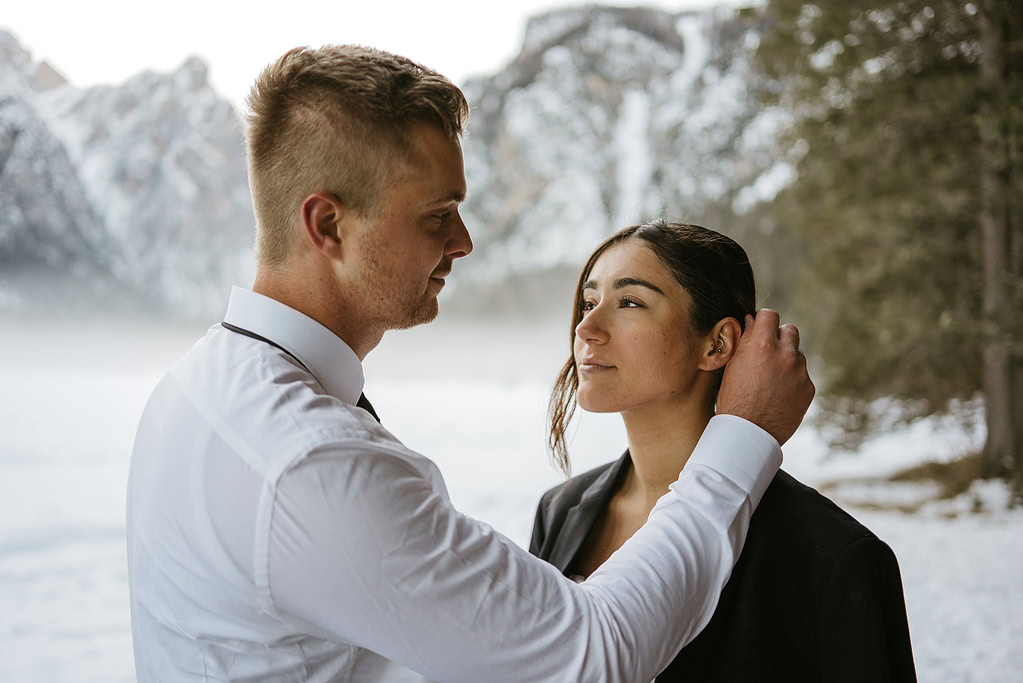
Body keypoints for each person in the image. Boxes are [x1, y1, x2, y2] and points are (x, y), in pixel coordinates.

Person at [126, 46, 815, 682]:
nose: (464, 241)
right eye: (437, 215)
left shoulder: (198, 386)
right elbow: (590, 656)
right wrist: (741, 436)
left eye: (630, 302)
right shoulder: (310, 463)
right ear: (328, 225)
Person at [530, 221, 916, 682]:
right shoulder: (561, 510)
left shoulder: (833, 558)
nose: (587, 328)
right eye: (590, 302)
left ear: (717, 344)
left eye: (630, 302)